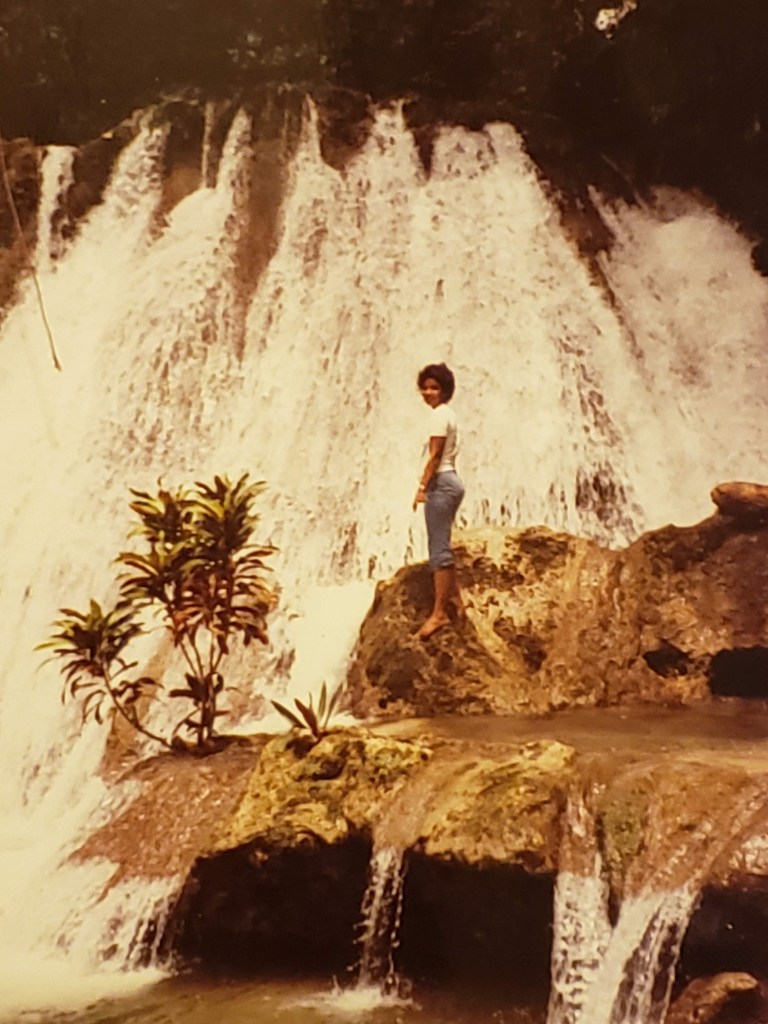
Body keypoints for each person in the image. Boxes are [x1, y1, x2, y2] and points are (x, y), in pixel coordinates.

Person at [412, 362, 465, 639]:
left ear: (444, 390)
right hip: (452, 480)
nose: (428, 392)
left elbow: (435, 456)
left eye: (434, 388)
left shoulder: (438, 416)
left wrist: (422, 487)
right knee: (442, 543)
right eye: (425, 387)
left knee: (438, 549)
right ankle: (455, 600)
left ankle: (439, 614)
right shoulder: (449, 415)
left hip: (441, 483)